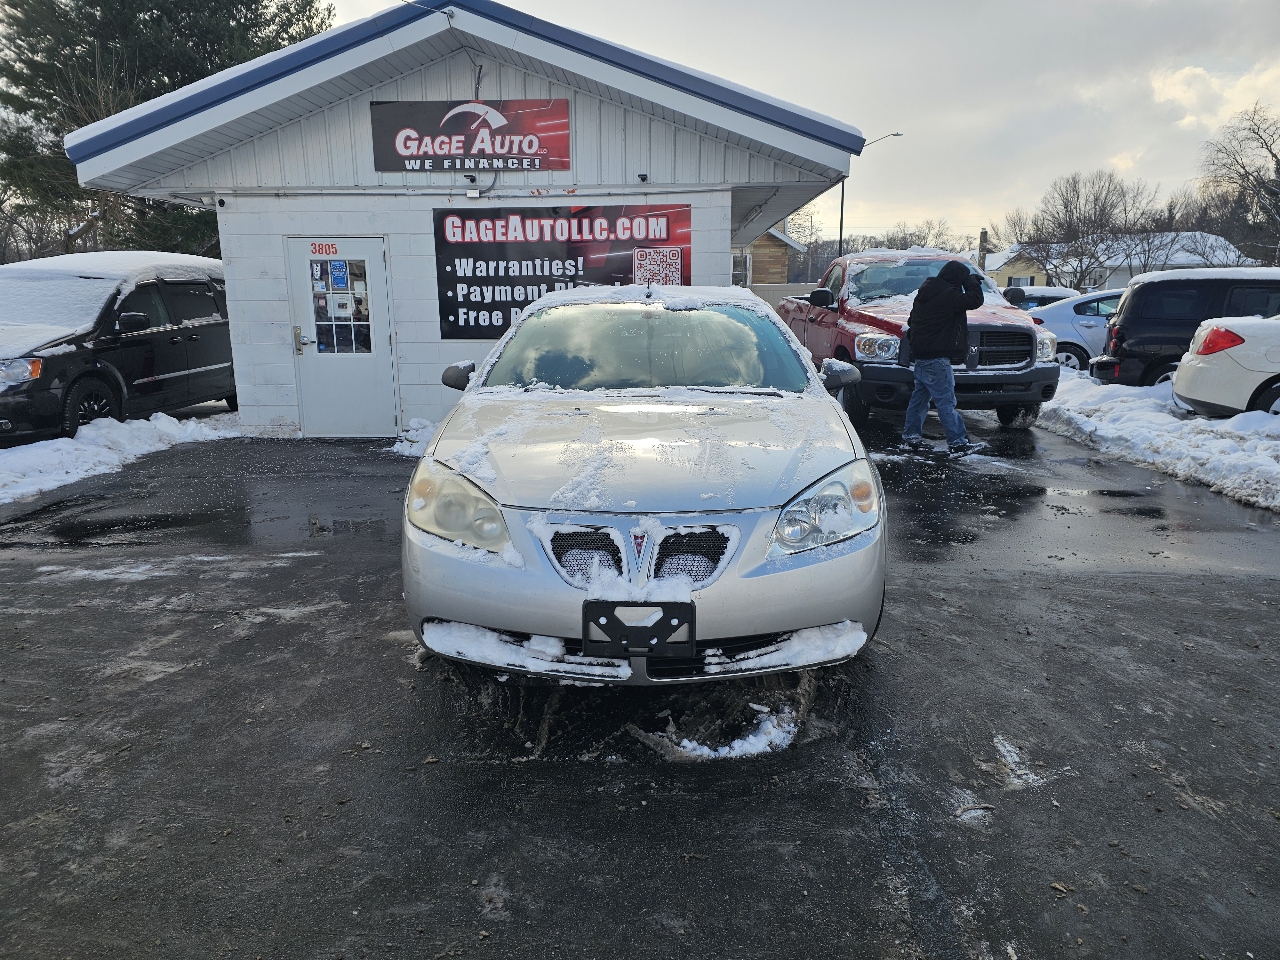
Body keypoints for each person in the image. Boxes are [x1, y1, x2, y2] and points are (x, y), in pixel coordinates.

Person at [900, 260, 989, 457]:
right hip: (937, 359)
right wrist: (972, 282)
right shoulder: (947, 294)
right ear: (957, 279)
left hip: (921, 357)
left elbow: (910, 321)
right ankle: (958, 443)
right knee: (946, 401)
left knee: (919, 399)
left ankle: (910, 437)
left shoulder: (925, 293)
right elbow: (974, 300)